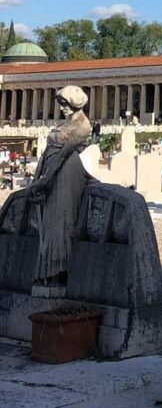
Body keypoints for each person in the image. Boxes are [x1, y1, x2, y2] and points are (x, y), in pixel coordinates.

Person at [27, 85, 92, 287]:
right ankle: (46, 269)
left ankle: (58, 270)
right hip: (51, 169)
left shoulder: (83, 126)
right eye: (61, 104)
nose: (62, 108)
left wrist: (46, 179)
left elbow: (63, 156)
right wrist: (39, 176)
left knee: (62, 221)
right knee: (48, 223)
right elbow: (49, 152)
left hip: (65, 173)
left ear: (75, 103)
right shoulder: (66, 123)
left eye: (65, 104)